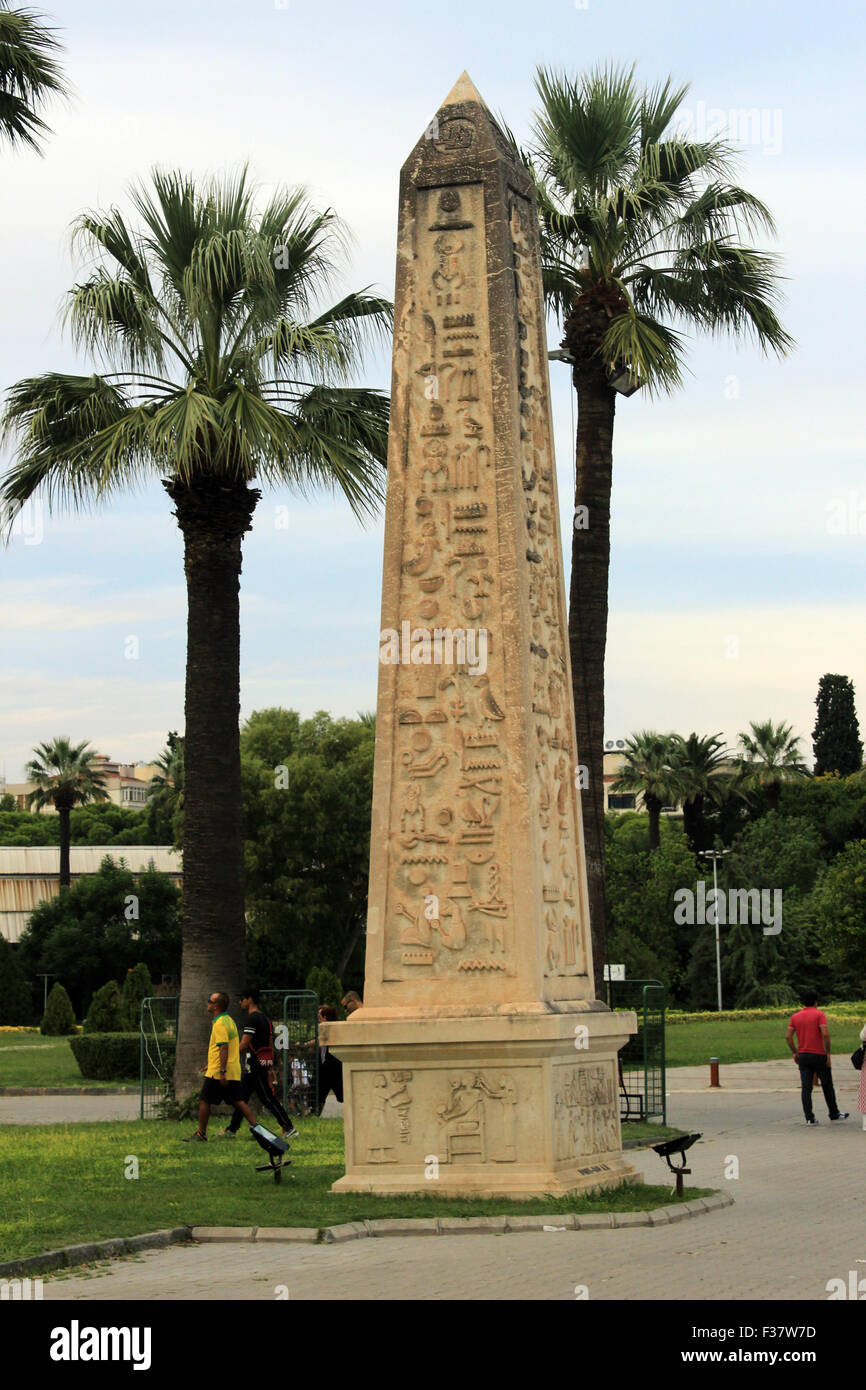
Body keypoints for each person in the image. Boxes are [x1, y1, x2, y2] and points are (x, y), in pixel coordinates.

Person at [220, 987, 298, 1140]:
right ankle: (232, 1129)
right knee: (241, 1098)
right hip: (258, 1066)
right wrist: (269, 1066)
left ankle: (289, 1128)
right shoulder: (265, 1019)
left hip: (255, 1067)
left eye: (242, 998)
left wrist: (226, 1055)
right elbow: (269, 1044)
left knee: (267, 1099)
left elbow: (243, 1044)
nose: (240, 1002)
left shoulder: (252, 1019)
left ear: (250, 999)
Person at [183, 992, 258, 1142]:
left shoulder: (220, 1024)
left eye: (209, 1001)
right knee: (239, 1101)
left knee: (205, 1100)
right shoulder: (228, 1020)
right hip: (230, 1069)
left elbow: (223, 1048)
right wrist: (210, 1064)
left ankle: (201, 1134)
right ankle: (259, 1131)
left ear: (216, 1005)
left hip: (219, 1072)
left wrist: (221, 1072)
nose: (208, 1003)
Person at [786, 989, 849, 1126]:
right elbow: (825, 1034)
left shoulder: (795, 1017)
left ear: (803, 1002)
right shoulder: (819, 1014)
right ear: (816, 1002)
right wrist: (828, 1052)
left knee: (806, 1088)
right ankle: (834, 1113)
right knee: (827, 1085)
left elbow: (788, 1037)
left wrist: (795, 1051)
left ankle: (809, 1118)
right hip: (819, 1054)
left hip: (803, 1055)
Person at [315, 1004, 343, 1115]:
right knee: (320, 1094)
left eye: (319, 1017)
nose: (318, 1020)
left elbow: (319, 1041)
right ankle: (315, 1113)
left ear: (325, 1018)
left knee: (342, 1095)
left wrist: (305, 1044)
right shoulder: (324, 1030)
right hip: (325, 1068)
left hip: (333, 1068)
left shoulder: (331, 1030)